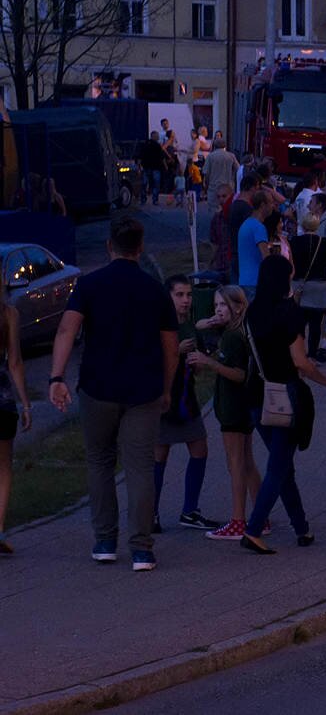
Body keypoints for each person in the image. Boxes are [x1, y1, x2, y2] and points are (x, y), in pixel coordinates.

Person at [48, 218, 178, 570]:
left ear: (109, 246)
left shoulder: (89, 285)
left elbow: (66, 330)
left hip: (97, 388)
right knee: (140, 468)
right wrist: (166, 388)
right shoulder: (155, 290)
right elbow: (170, 347)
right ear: (141, 247)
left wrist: (57, 377)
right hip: (143, 391)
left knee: (100, 462)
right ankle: (142, 549)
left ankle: (105, 541)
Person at [238, 255, 326, 555]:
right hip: (285, 397)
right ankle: (253, 530)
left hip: (257, 395)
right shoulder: (290, 312)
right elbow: (300, 362)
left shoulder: (253, 312)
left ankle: (301, 527)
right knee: (278, 467)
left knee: (283, 466)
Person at [189, 285, 260, 541]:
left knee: (235, 463)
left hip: (233, 406)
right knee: (247, 461)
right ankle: (260, 515)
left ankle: (238, 520)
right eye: (216, 305)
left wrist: (209, 362)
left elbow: (239, 374)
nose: (218, 310)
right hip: (243, 404)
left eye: (223, 305)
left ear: (238, 307)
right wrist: (212, 321)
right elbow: (198, 325)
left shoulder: (232, 337)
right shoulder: (239, 330)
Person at [153, 275, 220, 532]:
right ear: (168, 297)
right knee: (159, 454)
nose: (185, 300)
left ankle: (190, 511)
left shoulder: (190, 325)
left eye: (189, 295)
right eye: (179, 295)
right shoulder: (161, 326)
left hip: (186, 397)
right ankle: (151, 513)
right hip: (164, 398)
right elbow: (150, 362)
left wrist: (198, 362)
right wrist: (176, 351)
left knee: (200, 448)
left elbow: (197, 364)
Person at [0, 284, 30, 553]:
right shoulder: (9, 314)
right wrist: (26, 404)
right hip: (3, 401)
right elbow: (15, 362)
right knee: (3, 467)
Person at [289, 195, 326, 361]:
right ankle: (313, 353)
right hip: (320, 285)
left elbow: (291, 261)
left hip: (300, 285)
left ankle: (299, 352)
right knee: (316, 322)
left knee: (299, 322)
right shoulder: (325, 242)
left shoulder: (295, 241)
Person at [237, 191, 273, 298]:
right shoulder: (258, 227)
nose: (273, 206)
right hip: (256, 281)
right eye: (271, 202)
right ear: (262, 205)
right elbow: (266, 258)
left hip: (244, 279)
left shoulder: (246, 224)